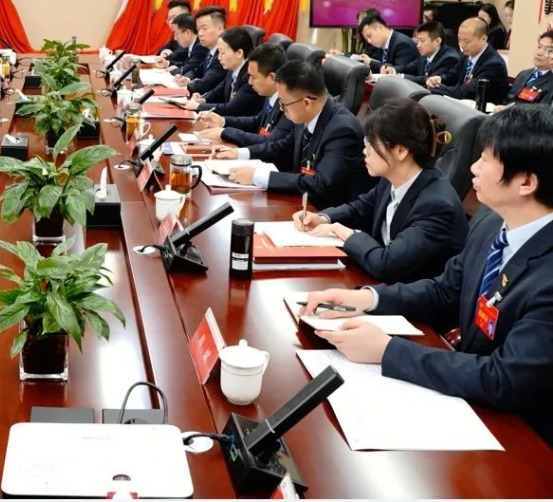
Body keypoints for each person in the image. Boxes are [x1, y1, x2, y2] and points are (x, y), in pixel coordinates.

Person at [300, 105, 553, 446]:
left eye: (486, 159)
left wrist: (387, 350)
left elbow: (504, 378)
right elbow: (444, 290)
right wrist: (365, 298)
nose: (473, 167)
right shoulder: (493, 222)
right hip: (472, 394)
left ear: (526, 182)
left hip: (525, 437)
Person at [293, 99, 467, 283]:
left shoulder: (437, 206)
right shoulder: (391, 179)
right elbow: (360, 208)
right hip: (381, 283)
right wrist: (323, 218)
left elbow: (387, 264)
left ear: (400, 151)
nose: (365, 151)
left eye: (371, 143)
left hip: (411, 295)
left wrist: (347, 234)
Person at [224, 60, 375, 209]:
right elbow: (281, 149)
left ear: (307, 103)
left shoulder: (342, 130)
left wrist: (258, 177)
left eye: (284, 103)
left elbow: (320, 183)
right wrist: (239, 153)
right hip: (301, 204)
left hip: (327, 213)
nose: (281, 109)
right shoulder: (305, 115)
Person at [195, 43, 294, 149]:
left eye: (253, 77)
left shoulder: (290, 104)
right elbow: (257, 121)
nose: (250, 82)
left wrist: (225, 132)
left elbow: (269, 142)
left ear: (272, 78)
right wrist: (222, 121)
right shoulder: (270, 94)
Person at [428, 17, 509, 107]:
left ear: (483, 39)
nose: (462, 45)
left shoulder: (493, 64)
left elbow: (467, 92)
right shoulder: (467, 54)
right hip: (461, 104)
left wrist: (435, 89)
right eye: (459, 39)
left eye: (466, 41)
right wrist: (439, 79)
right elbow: (453, 75)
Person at [186, 26, 262, 117]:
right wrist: (202, 100)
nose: (219, 58)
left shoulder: (250, 76)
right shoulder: (233, 68)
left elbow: (231, 108)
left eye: (222, 53)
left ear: (239, 53)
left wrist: (198, 106)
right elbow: (218, 91)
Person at [181, 6, 227, 95]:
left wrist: (186, 86)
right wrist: (187, 79)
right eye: (198, 29)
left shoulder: (224, 54)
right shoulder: (210, 51)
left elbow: (206, 84)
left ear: (220, 29)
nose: (200, 34)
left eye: (204, 28)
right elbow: (197, 70)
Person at [401, 21, 462, 87]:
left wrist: (402, 76)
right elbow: (408, 68)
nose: (418, 45)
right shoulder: (425, 54)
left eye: (422, 41)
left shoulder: (449, 58)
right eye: (418, 41)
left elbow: (431, 80)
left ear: (437, 41)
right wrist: (394, 70)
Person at [501, 31, 553, 106]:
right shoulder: (523, 74)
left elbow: (542, 110)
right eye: (539, 47)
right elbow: (508, 100)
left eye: (548, 50)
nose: (539, 53)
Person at [165, 14, 207, 80]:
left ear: (187, 33)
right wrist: (168, 63)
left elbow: (190, 68)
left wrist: (167, 72)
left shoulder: (200, 47)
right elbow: (186, 63)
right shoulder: (191, 45)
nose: (175, 38)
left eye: (176, 33)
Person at [155, 0, 192, 64]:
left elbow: (179, 56)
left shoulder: (192, 34)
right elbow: (161, 49)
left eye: (174, 17)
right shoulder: (177, 34)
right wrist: (164, 52)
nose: (171, 22)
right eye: (169, 18)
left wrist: (165, 57)